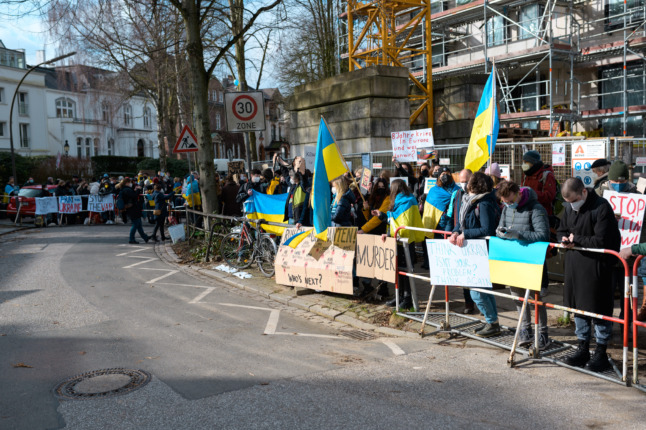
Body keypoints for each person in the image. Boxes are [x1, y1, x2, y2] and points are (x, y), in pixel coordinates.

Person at [557, 177, 620, 372]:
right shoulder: (569, 207)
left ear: (584, 192)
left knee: (599, 307)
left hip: (597, 266)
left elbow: (602, 240)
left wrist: (577, 240)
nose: (572, 205)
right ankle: (582, 346)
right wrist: (564, 239)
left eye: (574, 200)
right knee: (579, 307)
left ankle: (601, 350)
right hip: (575, 264)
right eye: (568, 203)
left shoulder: (601, 207)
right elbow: (561, 229)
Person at [496, 180, 551, 349]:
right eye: (505, 202)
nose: (509, 204)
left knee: (536, 298)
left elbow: (543, 235)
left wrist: (518, 234)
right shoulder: (506, 208)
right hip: (514, 258)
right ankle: (525, 329)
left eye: (511, 201)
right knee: (518, 296)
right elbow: (500, 226)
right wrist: (500, 232)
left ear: (519, 193)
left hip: (531, 260)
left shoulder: (536, 209)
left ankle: (542, 333)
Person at [448, 172, 501, 337]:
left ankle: (491, 322)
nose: (465, 184)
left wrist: (466, 234)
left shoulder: (484, 203)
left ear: (475, 184)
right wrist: (455, 232)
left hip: (480, 251)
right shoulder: (468, 200)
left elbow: (487, 230)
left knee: (477, 292)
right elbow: (460, 223)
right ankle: (491, 322)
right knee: (483, 290)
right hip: (471, 251)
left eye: (468, 181)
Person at [521, 150, 557, 217]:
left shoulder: (546, 175)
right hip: (527, 212)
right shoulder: (526, 175)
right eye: (523, 162)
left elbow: (549, 196)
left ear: (533, 162)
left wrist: (531, 193)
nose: (524, 164)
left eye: (526, 162)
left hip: (542, 213)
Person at [119, 177, 151, 244]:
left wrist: (135, 190)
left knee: (139, 224)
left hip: (132, 208)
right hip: (132, 209)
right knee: (136, 224)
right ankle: (131, 239)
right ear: (127, 183)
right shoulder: (126, 190)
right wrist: (138, 190)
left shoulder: (125, 189)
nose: (131, 183)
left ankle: (145, 237)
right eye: (130, 182)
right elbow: (134, 196)